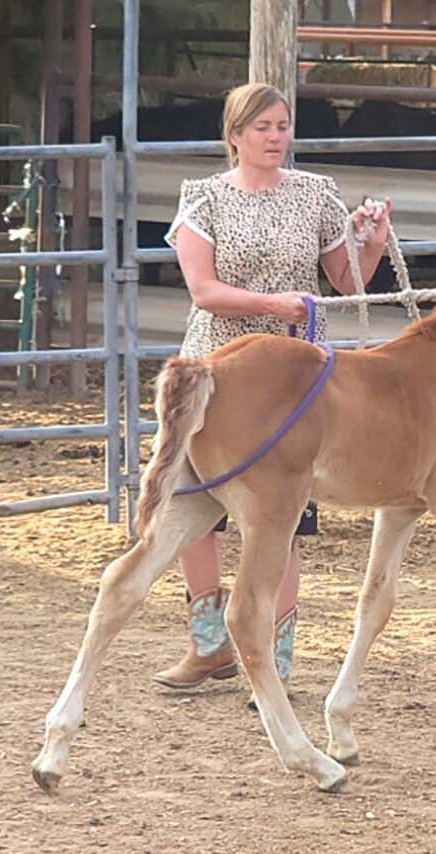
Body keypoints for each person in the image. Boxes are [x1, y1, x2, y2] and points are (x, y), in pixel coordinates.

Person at [151, 82, 392, 691]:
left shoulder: (316, 196)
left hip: (292, 380)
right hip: (217, 370)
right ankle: (210, 644)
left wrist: (373, 244)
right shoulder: (202, 199)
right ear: (234, 136)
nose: (275, 137)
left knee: (282, 517)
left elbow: (346, 281)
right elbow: (202, 290)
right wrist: (272, 304)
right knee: (191, 505)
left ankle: (274, 660)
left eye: (282, 126)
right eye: (262, 127)